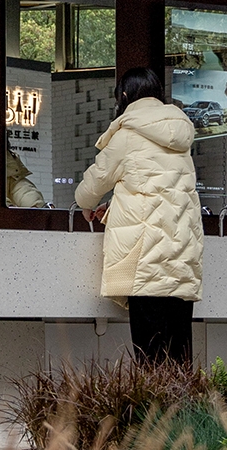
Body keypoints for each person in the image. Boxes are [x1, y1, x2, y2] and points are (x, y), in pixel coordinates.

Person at [75, 66, 203, 361]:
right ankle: (184, 408)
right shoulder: (181, 137)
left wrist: (87, 205)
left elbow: (93, 184)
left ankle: (157, 410)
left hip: (145, 261)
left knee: (151, 361)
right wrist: (117, 204)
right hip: (182, 260)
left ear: (123, 96)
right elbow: (160, 193)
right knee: (180, 358)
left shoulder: (128, 134)